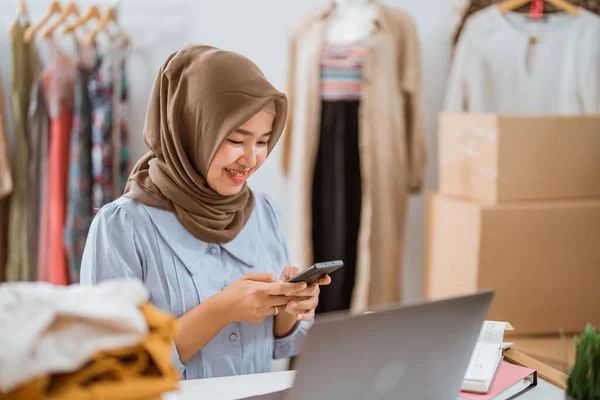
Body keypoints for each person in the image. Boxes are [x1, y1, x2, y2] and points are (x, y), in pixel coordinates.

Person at [79, 45, 331, 380]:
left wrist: (289, 305)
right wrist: (222, 310)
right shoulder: (121, 226)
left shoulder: (263, 212)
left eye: (262, 141)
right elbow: (111, 365)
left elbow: (280, 347)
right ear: (192, 130)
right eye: (236, 139)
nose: (251, 159)